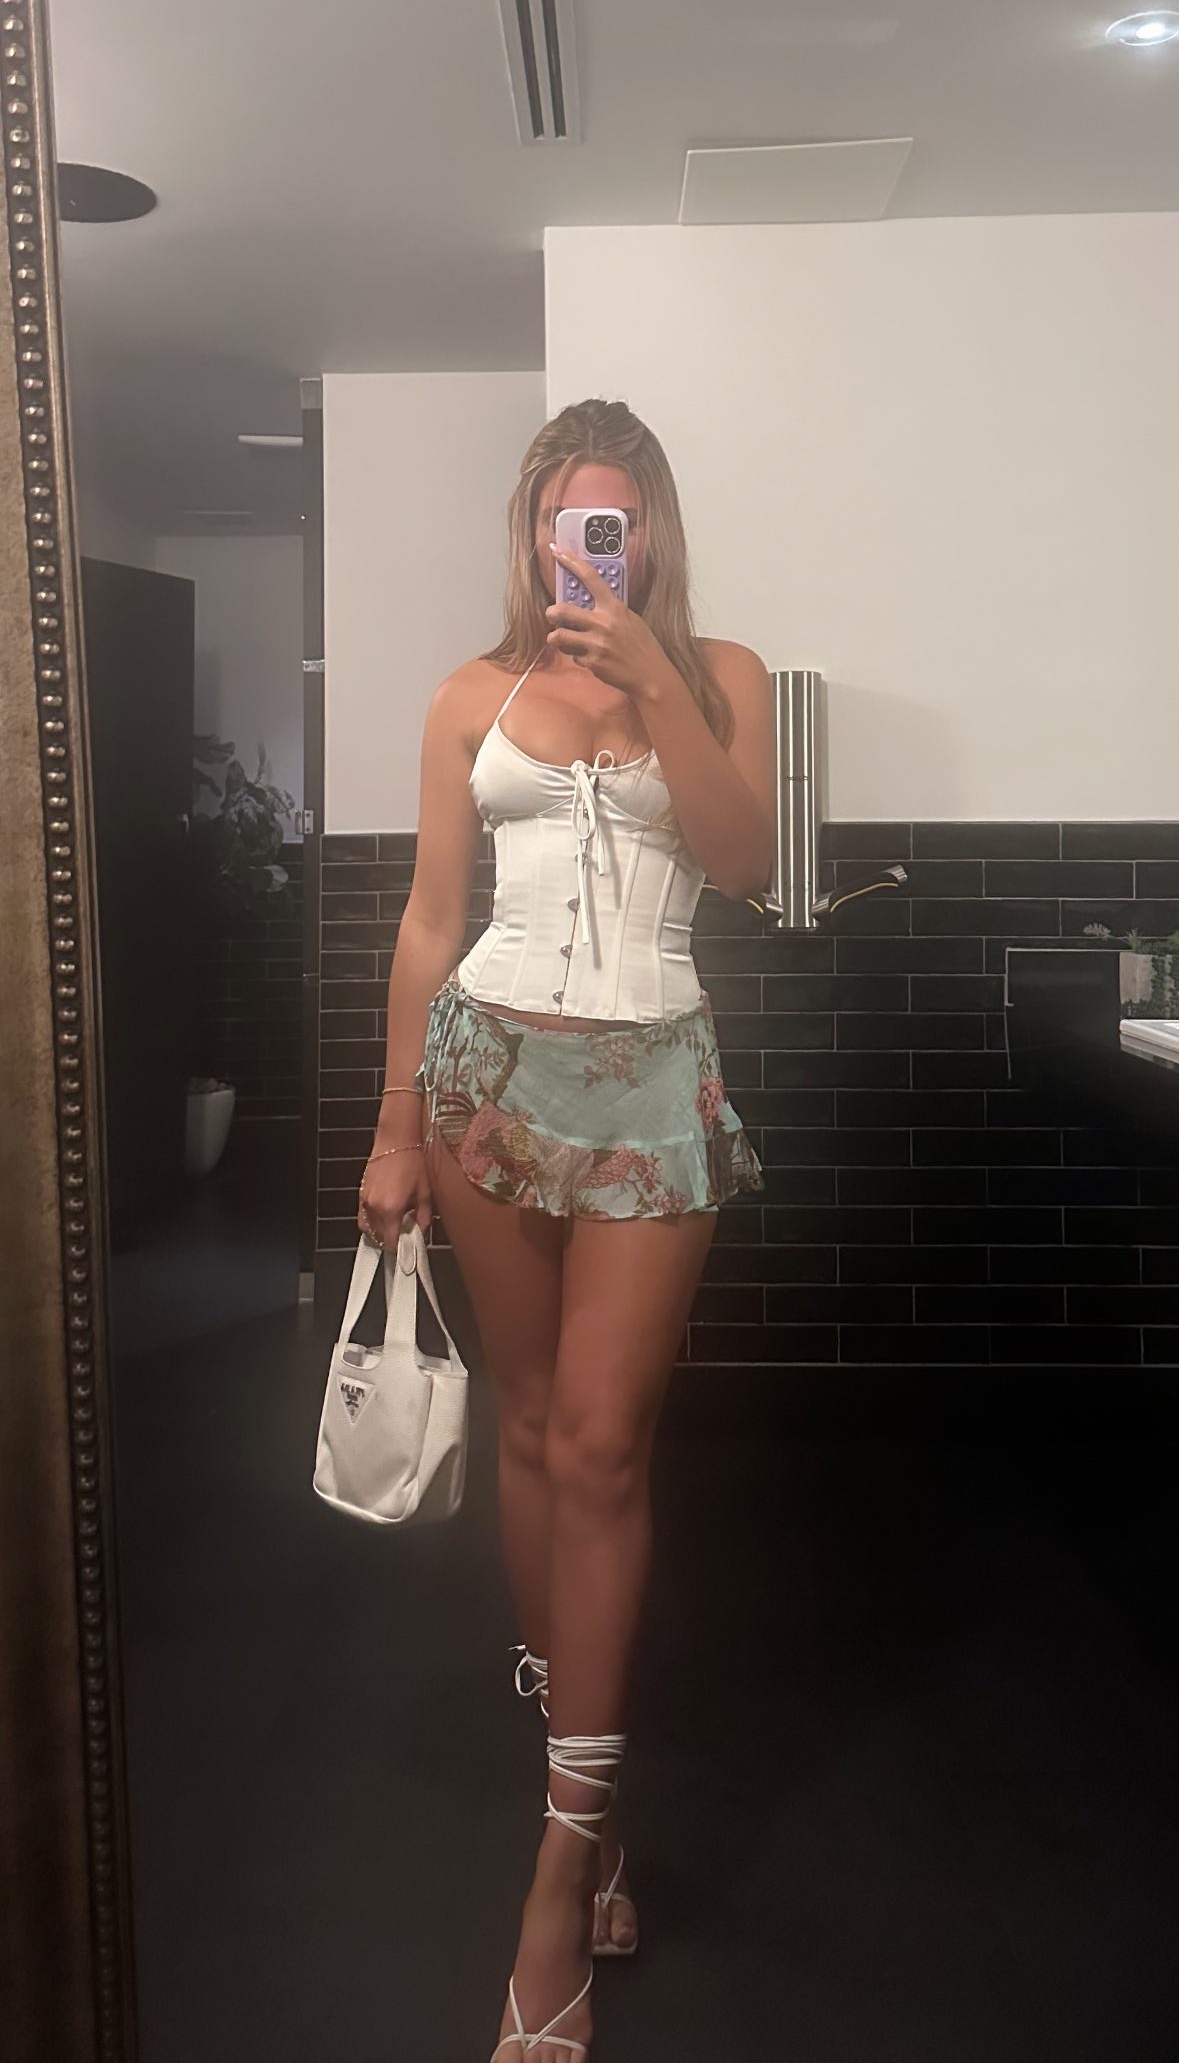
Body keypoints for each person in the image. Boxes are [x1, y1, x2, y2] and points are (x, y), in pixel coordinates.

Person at [357, 398, 772, 2060]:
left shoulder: (719, 673)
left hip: (656, 1079)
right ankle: (585, 1802)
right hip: (487, 1075)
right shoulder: (474, 692)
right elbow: (429, 920)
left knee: (603, 1449)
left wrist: (654, 676)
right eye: (560, 522)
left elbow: (743, 864)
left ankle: (557, 1867)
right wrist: (394, 1126)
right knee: (532, 1434)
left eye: (613, 522)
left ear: (647, 533)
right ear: (532, 534)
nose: (584, 547)